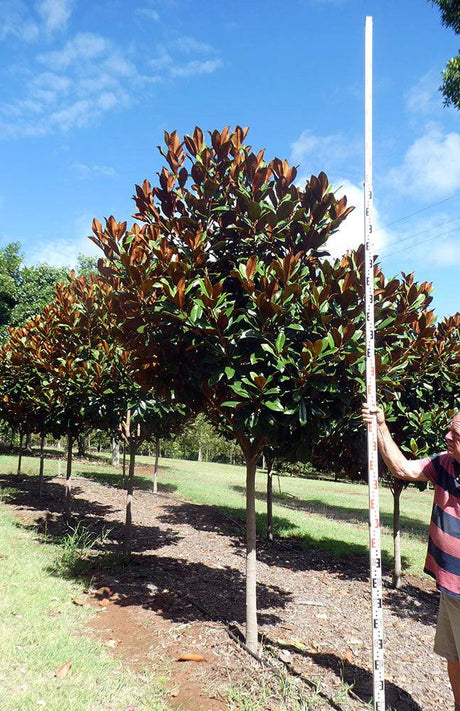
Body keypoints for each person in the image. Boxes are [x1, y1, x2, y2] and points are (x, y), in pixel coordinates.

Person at [362, 403, 460, 711]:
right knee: (454, 655)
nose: (446, 436)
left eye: (455, 433)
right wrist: (380, 426)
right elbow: (402, 468)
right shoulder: (444, 463)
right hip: (450, 586)